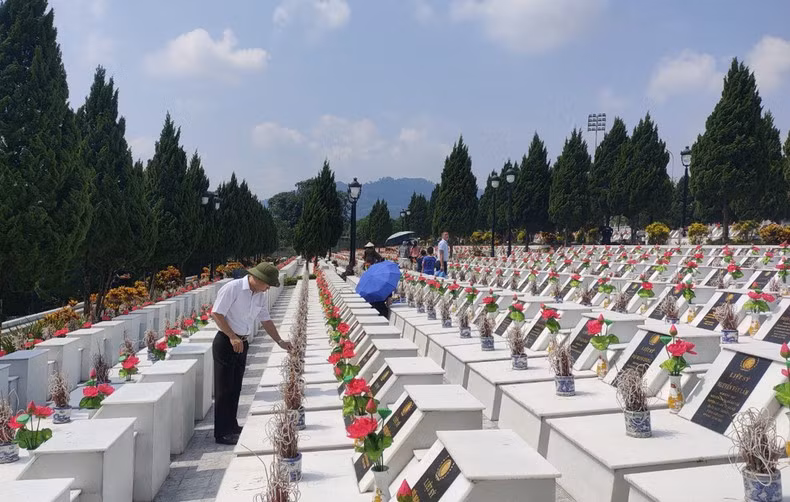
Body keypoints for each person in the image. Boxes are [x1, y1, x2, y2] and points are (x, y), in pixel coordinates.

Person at [211, 262, 293, 445]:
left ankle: (232, 426)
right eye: (267, 284)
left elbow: (266, 320)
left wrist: (280, 341)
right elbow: (217, 313)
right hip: (226, 341)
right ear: (256, 278)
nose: (268, 288)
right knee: (224, 388)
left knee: (235, 386)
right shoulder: (233, 288)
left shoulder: (259, 296)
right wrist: (232, 336)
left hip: (242, 342)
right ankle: (222, 433)